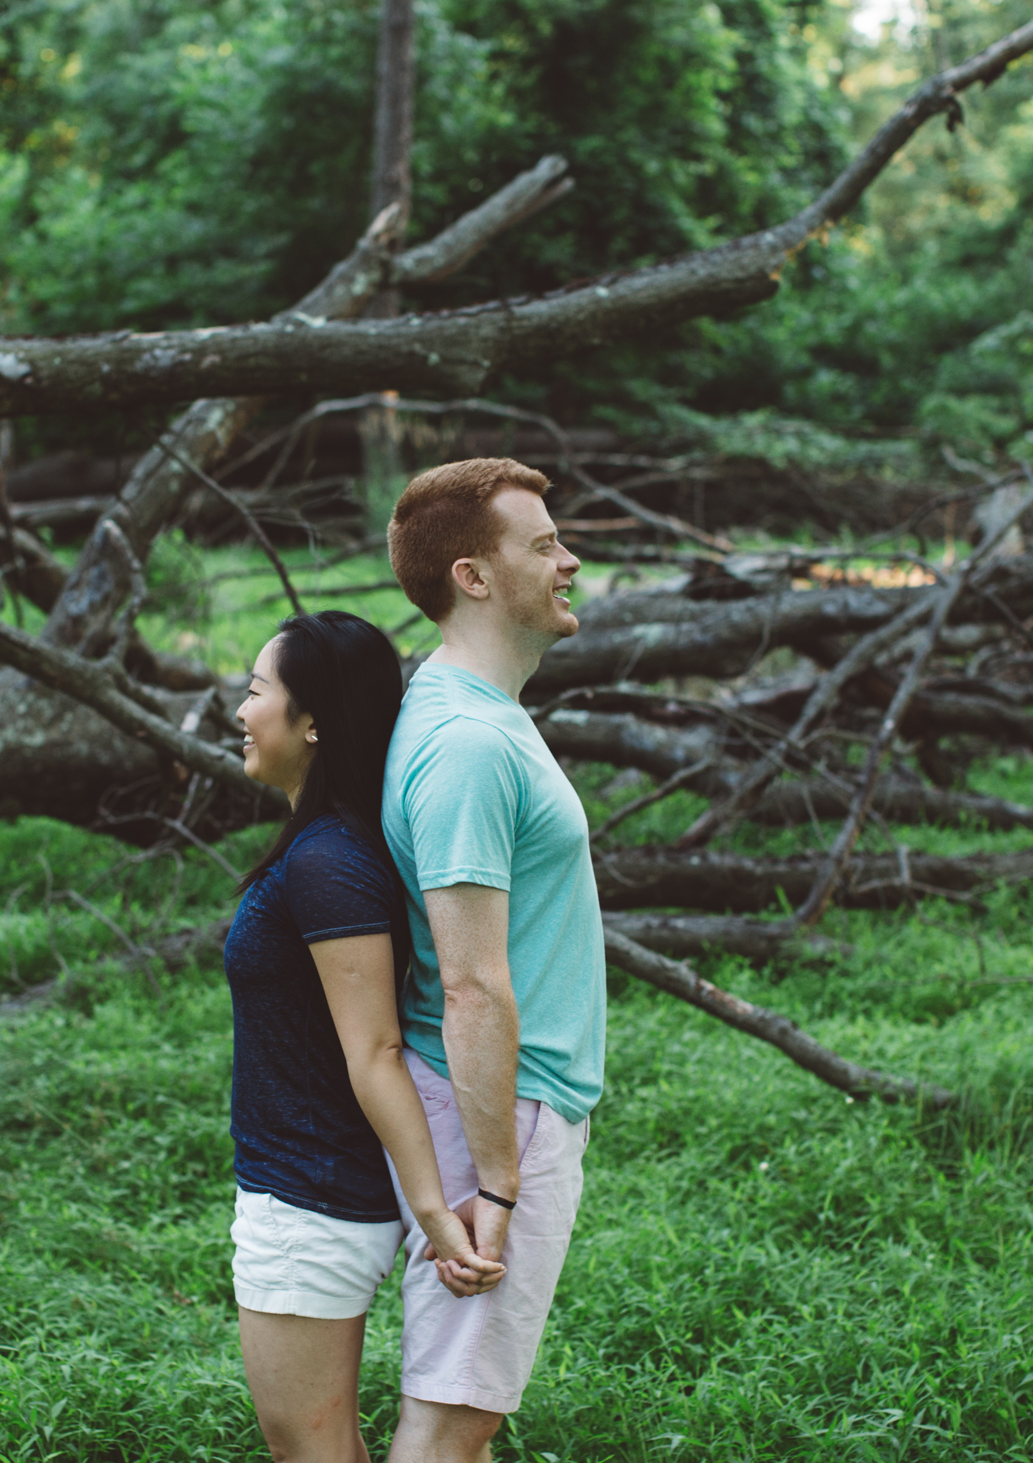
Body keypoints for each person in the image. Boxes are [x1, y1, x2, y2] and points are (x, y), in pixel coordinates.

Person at [224, 609, 506, 1463]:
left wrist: (432, 1214)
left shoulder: (328, 859)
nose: (241, 711)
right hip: (314, 1189)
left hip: (310, 1201)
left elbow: (375, 1047)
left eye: (255, 690)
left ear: (312, 721)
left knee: (310, 1452)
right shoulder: (336, 844)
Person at [379, 459, 604, 1462]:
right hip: (495, 1116)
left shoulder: (471, 711)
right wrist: (501, 1183)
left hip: (499, 1106)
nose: (569, 558)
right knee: (449, 1422)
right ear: (473, 576)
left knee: (456, 1411)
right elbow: (470, 978)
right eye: (542, 543)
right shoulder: (469, 742)